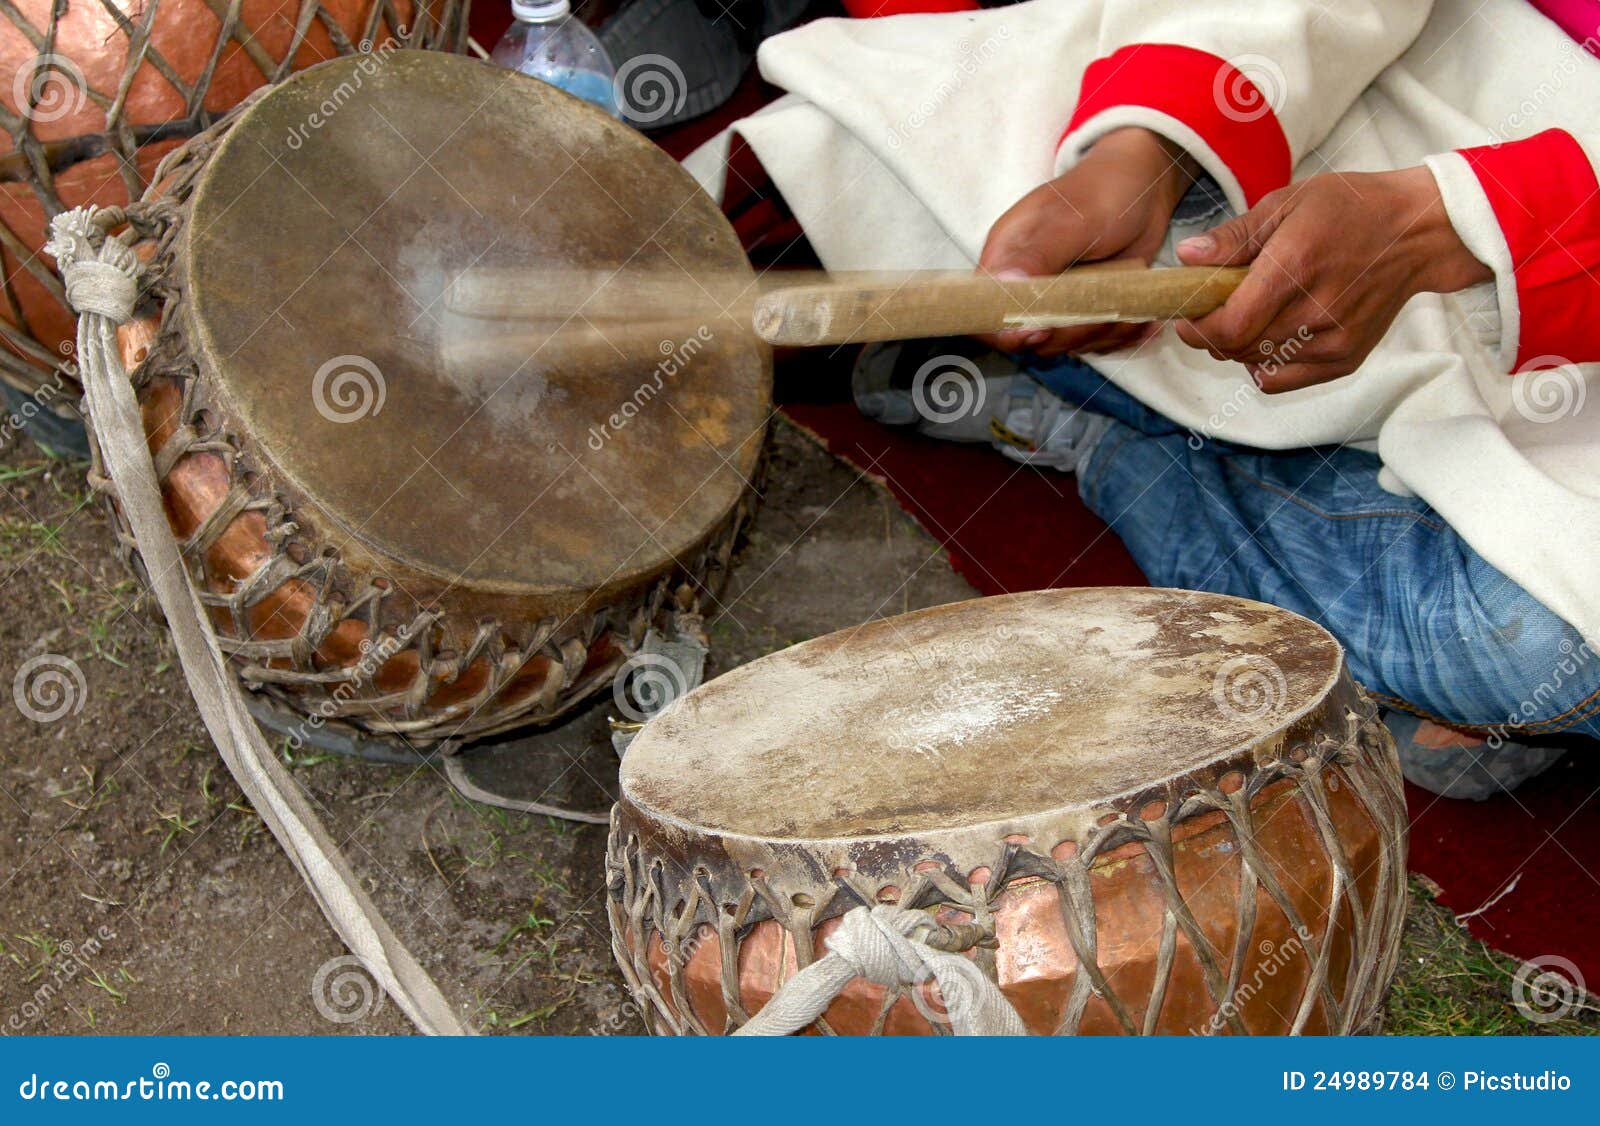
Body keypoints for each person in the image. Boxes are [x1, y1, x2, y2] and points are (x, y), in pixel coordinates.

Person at [684, 0, 1600, 799]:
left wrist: (1456, 228)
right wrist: (1154, 146)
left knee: (1527, 645)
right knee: (922, 139)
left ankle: (1106, 431)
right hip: (1457, 74)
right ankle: (1122, 391)